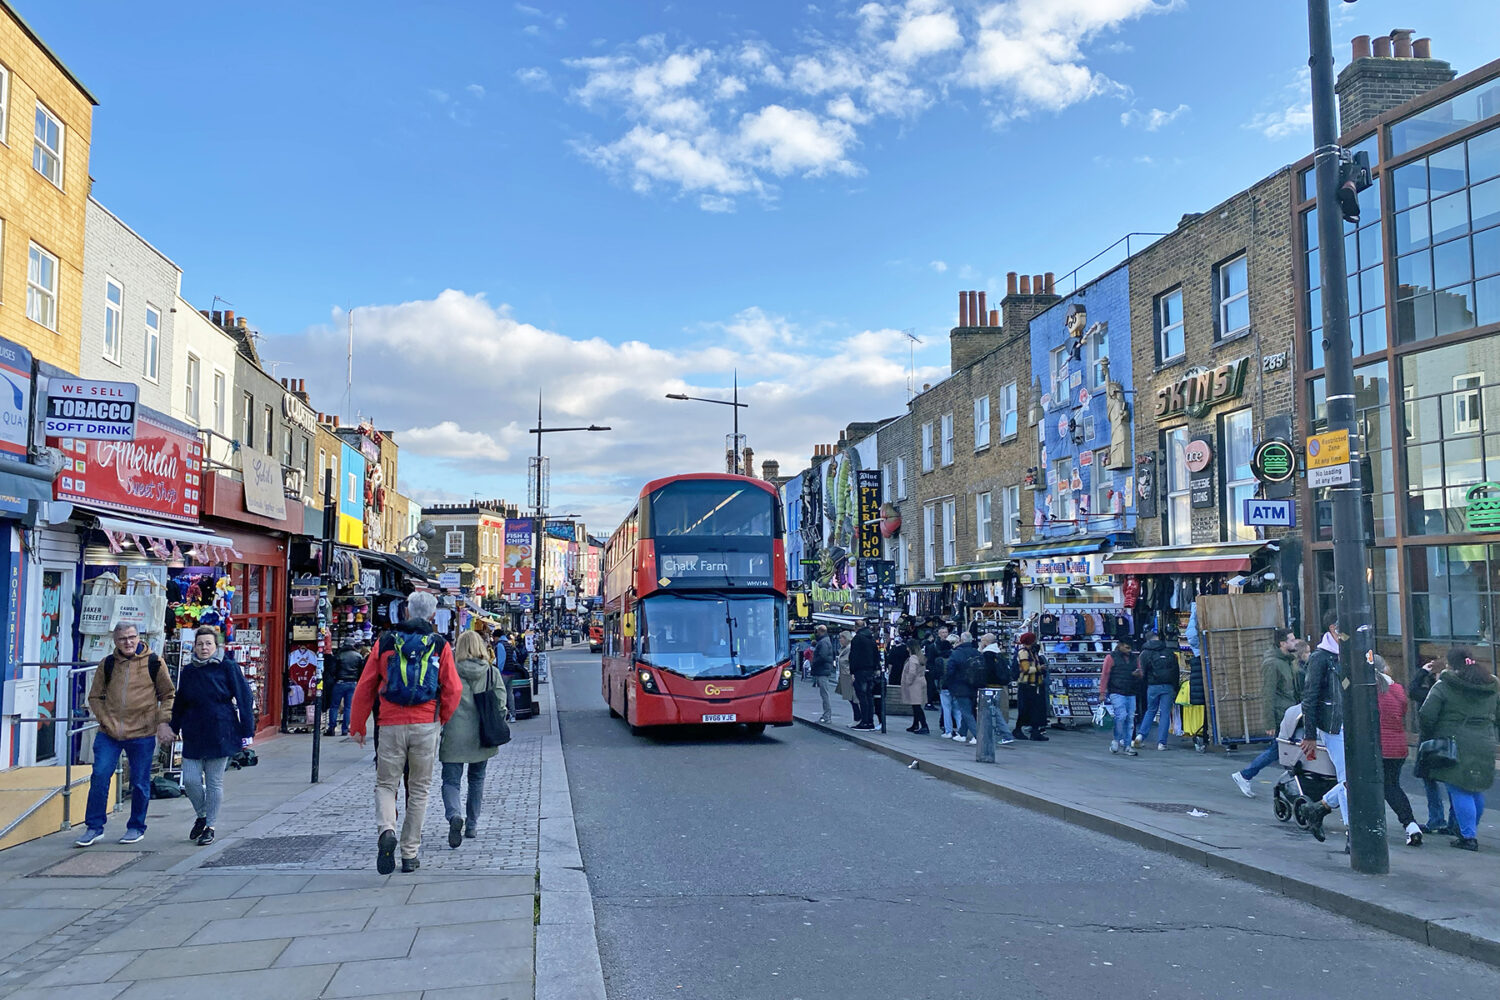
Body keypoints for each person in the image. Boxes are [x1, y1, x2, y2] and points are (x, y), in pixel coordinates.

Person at [351, 591, 462, 873]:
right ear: (433, 614)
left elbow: (365, 686)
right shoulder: (439, 644)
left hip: (389, 723)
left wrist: (357, 724)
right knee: (420, 790)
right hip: (426, 724)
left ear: (406, 612)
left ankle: (386, 829)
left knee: (386, 785)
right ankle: (409, 853)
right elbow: (453, 688)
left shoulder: (386, 642)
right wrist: (441, 718)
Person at [76, 623, 176, 847]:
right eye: (122, 639)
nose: (128, 642)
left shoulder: (154, 662)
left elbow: (168, 694)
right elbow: (95, 697)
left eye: (132, 637)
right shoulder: (108, 664)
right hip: (109, 733)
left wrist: (162, 721)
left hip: (142, 732)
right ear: (115, 641)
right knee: (100, 776)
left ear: (139, 637)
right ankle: (94, 827)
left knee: (140, 782)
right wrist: (105, 720)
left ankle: (136, 826)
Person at [170, 625, 255, 847]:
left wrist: (247, 730)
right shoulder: (188, 672)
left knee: (215, 781)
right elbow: (180, 702)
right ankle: (202, 815)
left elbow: (244, 697)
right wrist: (173, 726)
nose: (204, 648)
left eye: (208, 643)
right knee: (190, 780)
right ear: (194, 647)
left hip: (221, 729)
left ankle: (210, 826)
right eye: (200, 644)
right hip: (193, 731)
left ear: (216, 646)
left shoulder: (227, 667)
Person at [1418, 647, 1500, 851]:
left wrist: (1432, 734)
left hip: (1455, 742)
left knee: (1459, 787)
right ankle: (1470, 829)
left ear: (1451, 665)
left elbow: (1426, 714)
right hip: (1485, 741)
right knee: (1476, 788)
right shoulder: (1491, 686)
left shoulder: (1444, 686)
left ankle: (1468, 836)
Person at [440, 630, 503, 847]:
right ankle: (472, 824)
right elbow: (501, 703)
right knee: (477, 780)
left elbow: (439, 701)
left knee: (450, 781)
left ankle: (454, 815)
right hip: (481, 735)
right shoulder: (490, 672)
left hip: (453, 734)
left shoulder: (448, 672)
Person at [1231, 628, 1304, 797]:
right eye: (1292, 640)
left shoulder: (1287, 660)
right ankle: (1245, 775)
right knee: (1279, 749)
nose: (1295, 642)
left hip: (1290, 713)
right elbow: (1267, 694)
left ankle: (1247, 775)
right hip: (1281, 714)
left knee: (1284, 749)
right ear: (1282, 644)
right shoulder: (1272, 664)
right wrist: (1269, 722)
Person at [1300, 612, 1349, 844]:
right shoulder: (1321, 657)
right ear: (1332, 628)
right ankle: (1352, 832)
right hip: (1333, 724)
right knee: (1348, 778)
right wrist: (1309, 734)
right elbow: (1309, 697)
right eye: (1343, 629)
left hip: (1350, 722)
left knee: (1352, 779)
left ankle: (1318, 808)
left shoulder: (1347, 654)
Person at [1373, 657, 1424, 847]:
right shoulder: (1397, 689)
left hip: (1380, 745)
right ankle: (1410, 825)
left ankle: (1407, 824)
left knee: (1374, 786)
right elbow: (1401, 712)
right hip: (1398, 746)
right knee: (1392, 785)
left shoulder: (1371, 691)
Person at [1409, 656, 1457, 835]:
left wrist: (1423, 671)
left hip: (1430, 741)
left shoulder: (1431, 693)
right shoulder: (1455, 693)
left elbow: (1413, 690)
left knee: (1430, 782)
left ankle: (1436, 819)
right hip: (1449, 740)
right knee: (1451, 782)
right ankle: (1453, 822)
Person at [1134, 631, 1178, 751]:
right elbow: (1175, 670)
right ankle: (1161, 743)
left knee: (1151, 710)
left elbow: (1142, 672)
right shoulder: (1169, 652)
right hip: (1168, 686)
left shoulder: (1145, 653)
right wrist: (1175, 687)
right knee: (1165, 714)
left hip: (1153, 686)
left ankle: (1140, 736)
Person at [1099, 640, 1141, 756]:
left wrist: (1138, 674)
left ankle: (1126, 745)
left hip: (1130, 691)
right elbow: (1105, 675)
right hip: (1116, 691)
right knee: (1122, 716)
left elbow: (1140, 672)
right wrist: (1102, 692)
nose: (1129, 650)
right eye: (1127, 647)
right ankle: (1117, 740)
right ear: (1120, 646)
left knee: (1129, 718)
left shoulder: (1134, 658)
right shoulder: (1111, 658)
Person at [977, 633, 1016, 748]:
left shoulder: (987, 654)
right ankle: (1002, 732)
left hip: (990, 686)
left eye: (982, 640)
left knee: (993, 710)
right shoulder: (999, 654)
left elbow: (987, 671)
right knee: (998, 709)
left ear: (986, 642)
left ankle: (1006, 734)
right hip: (1001, 685)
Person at [943, 632, 980, 745]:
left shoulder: (957, 653)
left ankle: (978, 736)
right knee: (968, 710)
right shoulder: (976, 652)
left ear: (961, 641)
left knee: (966, 711)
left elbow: (950, 670)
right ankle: (962, 734)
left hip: (960, 685)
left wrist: (948, 682)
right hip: (975, 685)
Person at [325, 641, 365, 737]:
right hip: (353, 683)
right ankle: (345, 729)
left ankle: (332, 728)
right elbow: (361, 671)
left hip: (340, 682)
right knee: (349, 707)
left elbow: (332, 670)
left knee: (334, 706)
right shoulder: (358, 656)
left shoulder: (339, 655)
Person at [1015, 632, 1049, 741]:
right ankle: (1018, 730)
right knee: (1025, 709)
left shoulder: (1031, 652)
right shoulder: (1023, 653)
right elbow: (1026, 669)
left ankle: (1035, 731)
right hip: (1026, 685)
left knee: (1035, 709)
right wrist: (1040, 668)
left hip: (1034, 684)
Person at [849, 625, 881, 731]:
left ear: (856, 628)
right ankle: (869, 721)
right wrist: (876, 667)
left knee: (862, 696)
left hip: (860, 670)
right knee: (869, 696)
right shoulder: (871, 638)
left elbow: (853, 656)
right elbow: (876, 654)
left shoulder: (857, 639)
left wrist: (852, 671)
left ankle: (864, 721)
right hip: (870, 670)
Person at [924, 626, 953, 730]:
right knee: (945, 700)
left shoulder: (951, 644)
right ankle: (944, 723)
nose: (945, 634)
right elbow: (930, 660)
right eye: (943, 632)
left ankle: (946, 723)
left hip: (949, 675)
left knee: (948, 702)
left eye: (946, 632)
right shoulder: (934, 646)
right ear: (939, 634)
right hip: (939, 675)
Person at [810, 625, 837, 724]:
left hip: (822, 671)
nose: (815, 633)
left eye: (816, 631)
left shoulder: (823, 642)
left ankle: (827, 716)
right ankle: (826, 715)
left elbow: (822, 656)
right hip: (823, 670)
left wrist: (814, 663)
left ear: (820, 631)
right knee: (824, 693)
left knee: (824, 694)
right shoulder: (825, 641)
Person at [900, 646, 930, 734]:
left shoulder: (913, 658)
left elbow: (912, 672)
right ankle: (915, 724)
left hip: (914, 684)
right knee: (916, 705)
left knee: (916, 706)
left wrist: (908, 681)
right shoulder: (920, 657)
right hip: (920, 682)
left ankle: (924, 726)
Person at [835, 630, 857, 723]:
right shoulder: (843, 649)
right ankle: (856, 718)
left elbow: (851, 662)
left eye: (842, 638)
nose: (840, 640)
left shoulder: (849, 649)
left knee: (852, 698)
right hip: (844, 675)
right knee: (849, 698)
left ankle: (857, 718)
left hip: (848, 675)